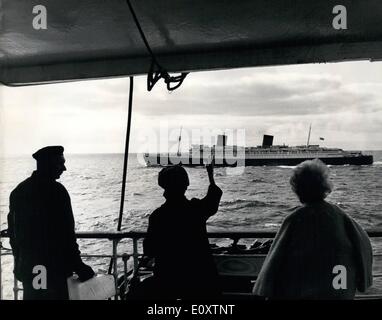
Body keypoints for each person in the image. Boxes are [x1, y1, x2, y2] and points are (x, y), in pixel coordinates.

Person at [253, 159, 373, 299]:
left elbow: (274, 262)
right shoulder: (340, 215)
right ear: (325, 186)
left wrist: (264, 289)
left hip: (303, 291)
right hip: (338, 290)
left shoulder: (295, 219)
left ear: (298, 188)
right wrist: (363, 281)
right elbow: (363, 243)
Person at [7, 146, 95, 300]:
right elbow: (66, 235)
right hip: (54, 270)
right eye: (60, 163)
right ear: (48, 164)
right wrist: (79, 266)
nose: (64, 168)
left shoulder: (19, 191)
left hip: (30, 268)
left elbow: (14, 235)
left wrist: (18, 264)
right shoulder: (57, 191)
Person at [142, 163, 223, 299]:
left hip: (169, 282)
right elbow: (213, 198)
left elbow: (149, 250)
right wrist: (210, 175)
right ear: (186, 185)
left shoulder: (158, 216)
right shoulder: (196, 209)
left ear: (163, 186)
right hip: (200, 280)